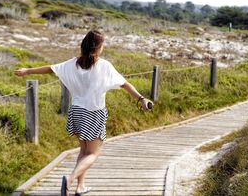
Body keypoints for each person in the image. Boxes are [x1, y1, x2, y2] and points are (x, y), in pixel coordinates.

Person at [14, 30, 153, 196]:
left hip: (77, 112)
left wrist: (27, 71)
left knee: (83, 151)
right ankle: (70, 179)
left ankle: (80, 187)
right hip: (94, 113)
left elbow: (51, 69)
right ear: (98, 48)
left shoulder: (73, 64)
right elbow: (125, 84)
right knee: (93, 153)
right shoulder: (104, 66)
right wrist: (142, 99)